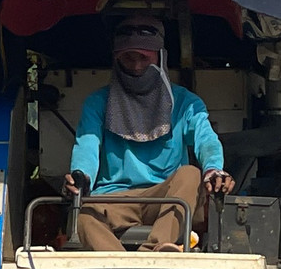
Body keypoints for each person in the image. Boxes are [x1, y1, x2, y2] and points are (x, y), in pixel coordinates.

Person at [63, 18, 234, 251]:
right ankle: (124, 266)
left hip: (167, 198)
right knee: (84, 216)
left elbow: (206, 140)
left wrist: (214, 169)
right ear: (116, 59)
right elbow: (87, 147)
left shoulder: (185, 102)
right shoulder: (97, 102)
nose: (136, 67)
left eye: (143, 58)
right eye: (128, 58)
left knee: (191, 174)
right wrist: (80, 176)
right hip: (114, 198)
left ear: (160, 57)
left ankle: (155, 250)